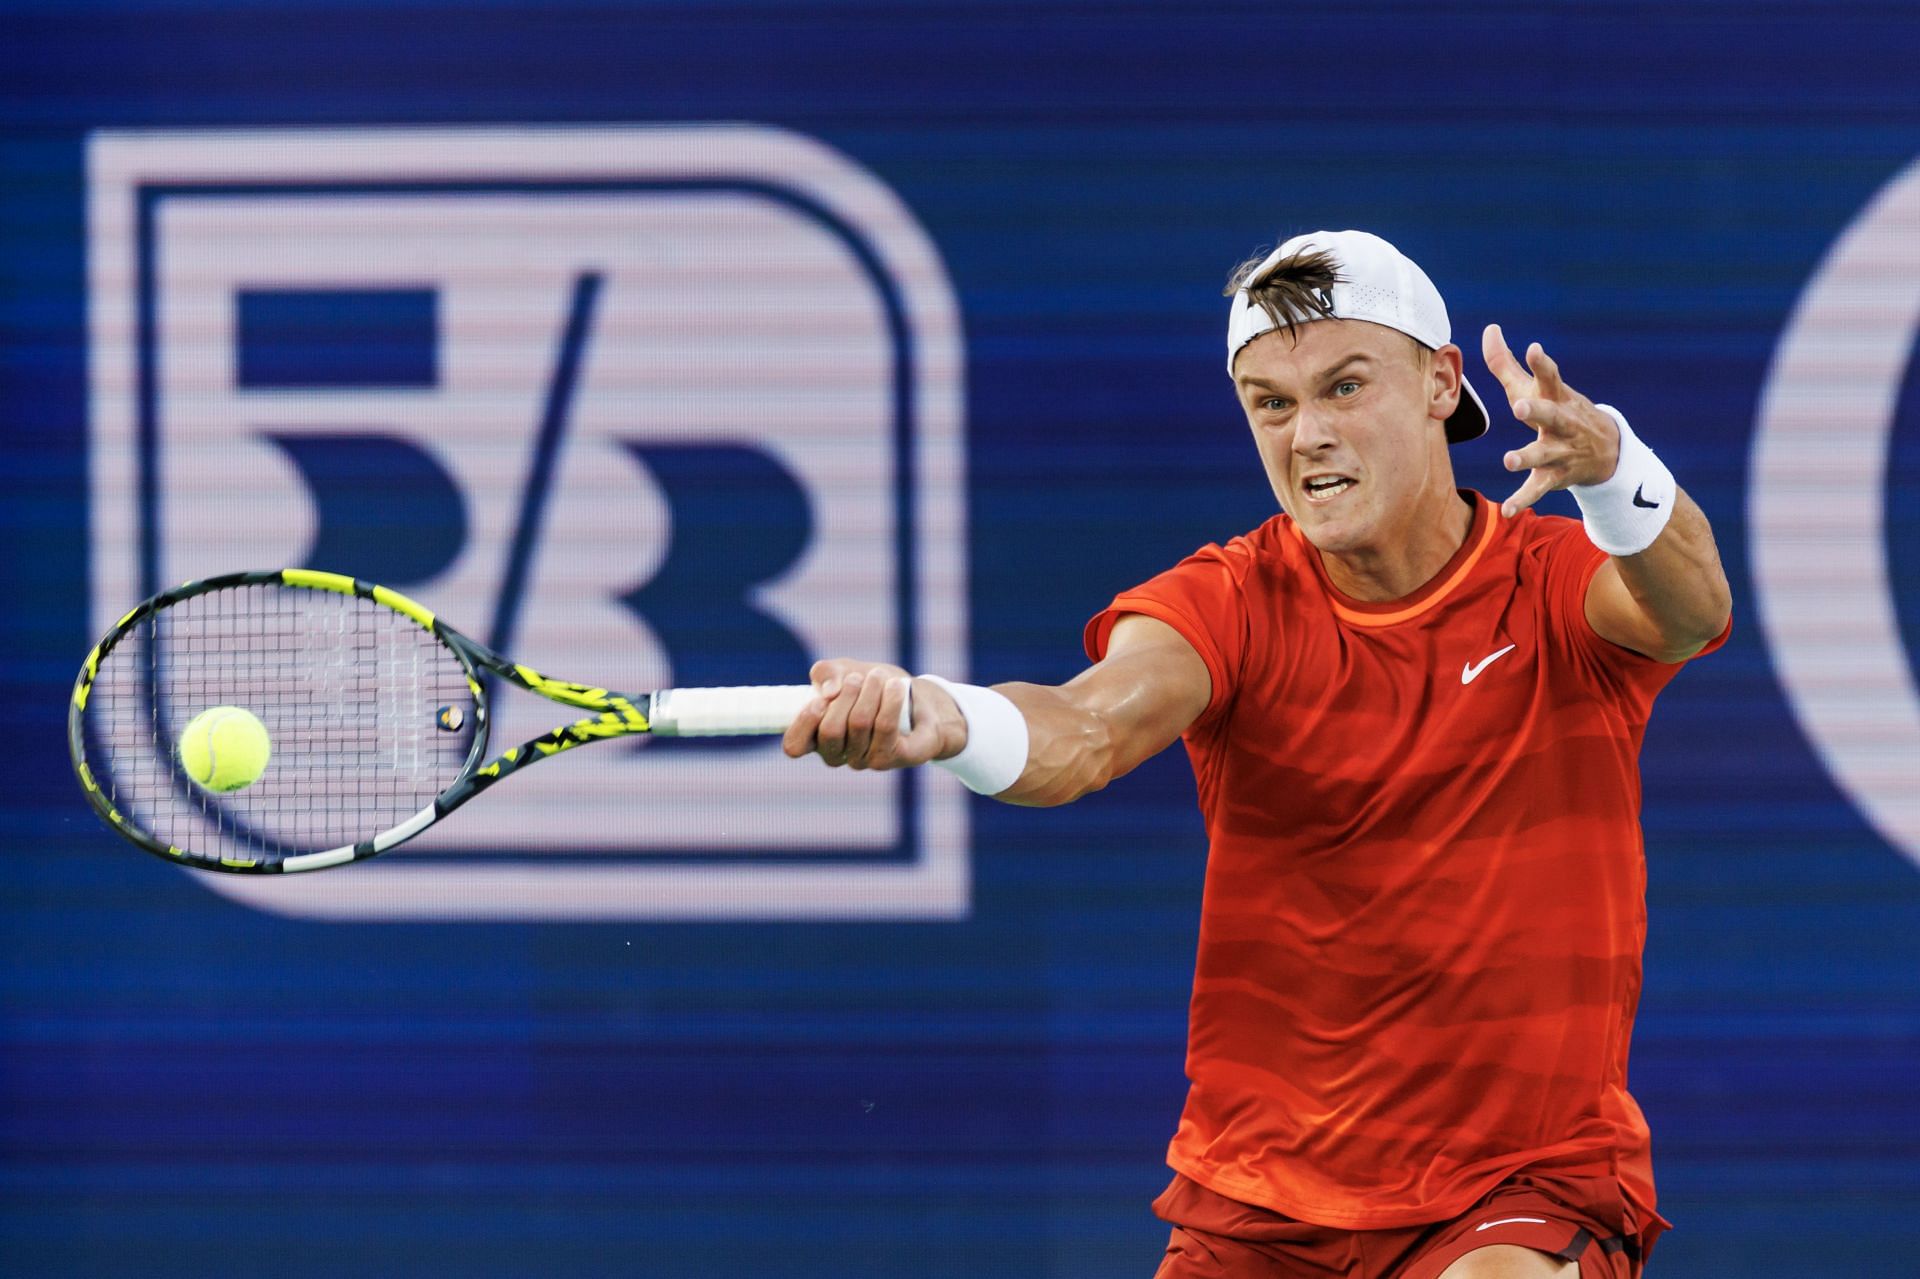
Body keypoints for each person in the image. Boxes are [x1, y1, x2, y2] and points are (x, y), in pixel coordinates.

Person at [782, 229, 1731, 1279]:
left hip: (1519, 1184)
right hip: (1263, 1204)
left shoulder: (1554, 583)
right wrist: (951, 719)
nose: (1308, 435)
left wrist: (1615, 472)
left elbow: (1688, 613)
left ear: (1440, 384)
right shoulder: (1225, 600)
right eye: (1272, 405)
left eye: (1344, 386)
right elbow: (1088, 728)